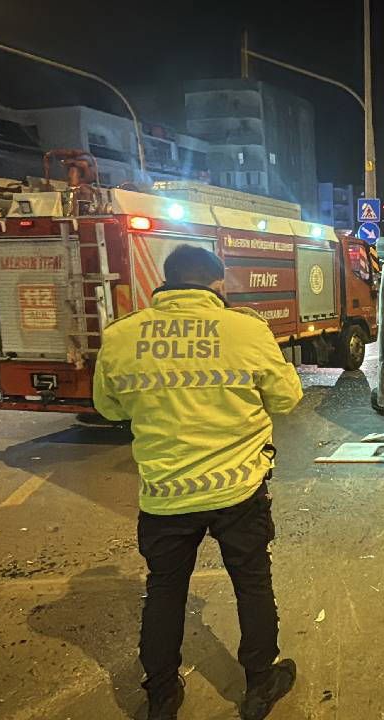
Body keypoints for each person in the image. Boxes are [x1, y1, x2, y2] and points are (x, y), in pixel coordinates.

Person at [93, 245, 304, 720]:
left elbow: (109, 407)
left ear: (166, 281)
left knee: (165, 590)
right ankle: (259, 684)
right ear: (217, 284)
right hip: (238, 488)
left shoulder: (122, 335)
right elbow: (286, 399)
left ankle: (162, 695)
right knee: (252, 583)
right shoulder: (245, 330)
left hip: (165, 493)